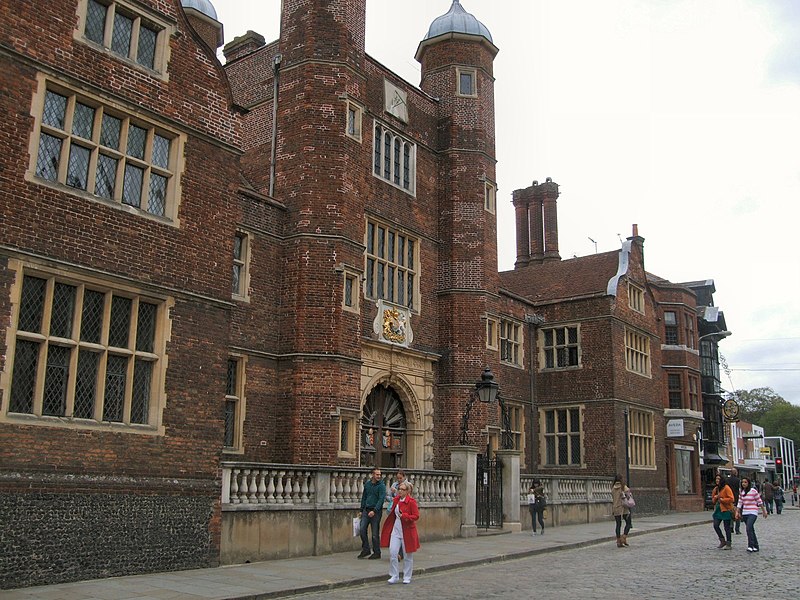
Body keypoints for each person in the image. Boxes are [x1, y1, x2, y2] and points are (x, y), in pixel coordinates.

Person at [380, 481, 420, 584]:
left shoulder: (411, 502)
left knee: (407, 555)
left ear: (408, 491)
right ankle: (394, 575)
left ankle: (407, 576)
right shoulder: (396, 500)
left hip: (407, 531)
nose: (400, 491)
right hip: (396, 530)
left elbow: (416, 516)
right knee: (393, 553)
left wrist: (405, 516)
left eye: (402, 489)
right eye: (399, 489)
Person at [357, 467, 387, 559]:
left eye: (379, 474)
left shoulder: (381, 486)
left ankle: (377, 552)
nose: (379, 476)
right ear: (372, 475)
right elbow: (364, 497)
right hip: (366, 509)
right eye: (377, 474)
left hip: (376, 511)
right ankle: (366, 549)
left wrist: (374, 511)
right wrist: (361, 510)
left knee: (374, 533)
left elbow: (381, 499)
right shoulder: (368, 484)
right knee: (362, 529)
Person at [735, 476, 768, 553]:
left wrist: (764, 511)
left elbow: (759, 502)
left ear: (748, 483)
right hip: (745, 512)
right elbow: (740, 503)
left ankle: (750, 545)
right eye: (742, 482)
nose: (744, 484)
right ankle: (756, 545)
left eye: (745, 482)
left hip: (753, 512)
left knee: (748, 528)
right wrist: (737, 512)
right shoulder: (741, 492)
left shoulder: (753, 491)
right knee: (751, 529)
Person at [711, 474, 734, 550]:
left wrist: (721, 499)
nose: (717, 480)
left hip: (726, 509)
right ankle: (722, 540)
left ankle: (728, 543)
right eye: (716, 479)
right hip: (718, 509)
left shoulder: (726, 488)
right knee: (716, 525)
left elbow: (731, 499)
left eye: (718, 479)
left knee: (727, 527)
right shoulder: (716, 489)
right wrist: (715, 498)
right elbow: (713, 500)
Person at [611, 474, 632, 548]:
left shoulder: (613, 488)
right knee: (629, 523)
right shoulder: (623, 487)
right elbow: (629, 496)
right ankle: (624, 537)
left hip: (616, 508)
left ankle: (618, 541)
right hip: (624, 508)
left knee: (618, 525)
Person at [727, 467, 741, 535]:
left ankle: (731, 527)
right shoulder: (738, 480)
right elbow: (740, 490)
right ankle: (737, 529)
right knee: (737, 513)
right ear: (736, 473)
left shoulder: (727, 480)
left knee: (730, 513)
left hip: (729, 498)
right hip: (736, 498)